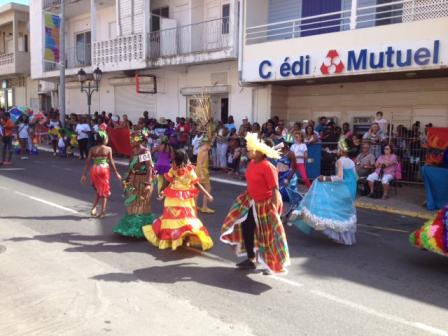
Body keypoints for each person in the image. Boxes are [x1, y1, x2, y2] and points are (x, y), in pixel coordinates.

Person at [221, 133, 290, 274]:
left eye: (254, 149)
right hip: (251, 202)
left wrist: (276, 210)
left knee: (268, 234)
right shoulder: (252, 163)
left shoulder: (268, 167)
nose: (250, 151)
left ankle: (271, 264)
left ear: (262, 151)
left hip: (266, 204)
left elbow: (275, 190)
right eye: (250, 148)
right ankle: (251, 259)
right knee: (246, 226)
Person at [289, 137, 358, 245]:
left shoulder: (340, 161)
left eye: (339, 146)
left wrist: (325, 178)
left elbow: (340, 177)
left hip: (344, 188)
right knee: (342, 212)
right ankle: (343, 237)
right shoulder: (351, 161)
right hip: (351, 189)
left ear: (343, 149)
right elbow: (354, 177)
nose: (337, 148)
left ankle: (337, 235)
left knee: (333, 208)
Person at [143, 149, 214, 251]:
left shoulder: (189, 170)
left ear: (179, 161)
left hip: (185, 199)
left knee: (186, 220)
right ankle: (171, 238)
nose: (172, 163)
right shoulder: (173, 170)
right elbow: (167, 182)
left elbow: (196, 184)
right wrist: (162, 192)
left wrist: (207, 195)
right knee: (171, 220)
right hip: (172, 198)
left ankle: (185, 236)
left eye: (174, 161)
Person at [113, 129, 156, 238]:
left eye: (134, 138)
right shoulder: (133, 152)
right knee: (132, 204)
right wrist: (126, 180)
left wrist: (148, 184)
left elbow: (149, 168)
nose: (131, 140)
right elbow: (131, 168)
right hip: (133, 180)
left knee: (140, 204)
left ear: (140, 140)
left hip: (142, 181)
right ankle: (132, 228)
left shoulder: (144, 151)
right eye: (131, 138)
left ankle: (142, 230)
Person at [81, 127, 121, 218]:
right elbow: (111, 162)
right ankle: (103, 212)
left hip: (95, 169)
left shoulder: (92, 149)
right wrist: (116, 173)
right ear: (104, 139)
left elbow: (87, 162)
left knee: (99, 190)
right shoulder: (108, 149)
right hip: (103, 169)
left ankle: (93, 208)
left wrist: (84, 174)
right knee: (105, 192)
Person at [196, 136, 215, 214]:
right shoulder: (205, 151)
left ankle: (194, 206)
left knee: (197, 190)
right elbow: (200, 163)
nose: (210, 145)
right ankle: (204, 207)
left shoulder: (201, 149)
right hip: (203, 171)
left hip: (199, 171)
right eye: (209, 143)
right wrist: (201, 174)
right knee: (208, 189)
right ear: (207, 143)